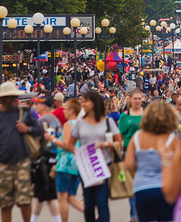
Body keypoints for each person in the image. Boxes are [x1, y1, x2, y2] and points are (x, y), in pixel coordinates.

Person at [0, 82, 42, 222]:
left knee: (25, 200)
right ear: (2, 99)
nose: (14, 100)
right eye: (10, 97)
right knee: (5, 203)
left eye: (15, 97)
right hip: (1, 165)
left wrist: (27, 129)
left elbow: (39, 130)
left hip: (22, 162)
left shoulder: (24, 113)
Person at [69, 91, 122, 222]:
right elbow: (70, 143)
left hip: (103, 166)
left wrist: (104, 144)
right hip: (86, 167)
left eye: (85, 101)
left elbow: (119, 143)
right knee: (88, 205)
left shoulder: (108, 121)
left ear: (94, 103)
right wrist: (79, 155)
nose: (83, 104)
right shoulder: (80, 123)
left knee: (101, 202)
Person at [124, 100, 179, 222]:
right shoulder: (172, 140)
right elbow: (179, 166)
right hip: (165, 187)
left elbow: (128, 164)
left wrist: (142, 169)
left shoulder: (137, 137)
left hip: (142, 188)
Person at [44, 98, 84, 222]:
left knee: (62, 198)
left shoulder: (68, 124)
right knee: (71, 197)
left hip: (65, 163)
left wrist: (52, 140)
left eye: (66, 109)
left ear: (72, 111)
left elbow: (67, 144)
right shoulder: (81, 124)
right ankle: (93, 215)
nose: (64, 111)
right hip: (77, 163)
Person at [29, 95, 62, 222]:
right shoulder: (55, 119)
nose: (35, 106)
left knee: (49, 195)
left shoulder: (41, 122)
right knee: (40, 195)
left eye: (37, 104)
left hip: (44, 160)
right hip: (53, 158)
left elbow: (36, 140)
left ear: (43, 106)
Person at [118, 88, 144, 222]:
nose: (137, 101)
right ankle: (134, 215)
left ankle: (142, 213)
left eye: (139, 98)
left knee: (143, 183)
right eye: (135, 98)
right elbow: (120, 134)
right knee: (132, 185)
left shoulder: (146, 114)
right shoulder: (125, 116)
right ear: (130, 99)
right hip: (129, 151)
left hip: (144, 152)